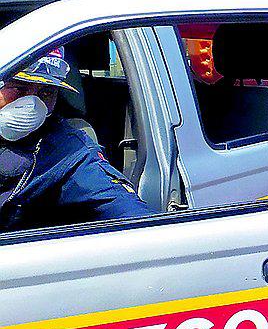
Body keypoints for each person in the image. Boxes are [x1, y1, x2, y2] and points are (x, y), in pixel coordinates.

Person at [0, 51, 153, 232]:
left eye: (46, 92)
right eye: (19, 88)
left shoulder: (68, 151)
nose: (33, 104)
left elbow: (125, 209)